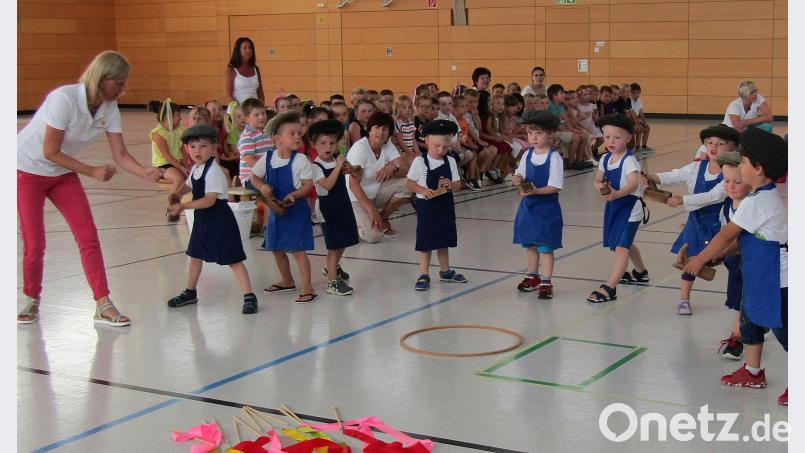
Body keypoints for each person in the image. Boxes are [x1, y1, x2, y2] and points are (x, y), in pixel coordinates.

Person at [16, 50, 161, 326]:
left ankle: (102, 303)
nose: (123, 89)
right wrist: (92, 171)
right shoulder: (64, 99)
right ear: (102, 78)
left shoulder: (109, 108)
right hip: (28, 169)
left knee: (88, 236)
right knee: (35, 242)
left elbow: (120, 154)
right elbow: (50, 151)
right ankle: (32, 298)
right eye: (119, 83)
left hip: (62, 173)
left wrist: (145, 172)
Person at [684, 128, 787, 405]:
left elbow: (726, 235)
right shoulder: (756, 198)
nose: (739, 168)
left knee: (785, 331)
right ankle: (753, 372)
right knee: (749, 321)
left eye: (742, 163)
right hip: (758, 274)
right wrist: (720, 256)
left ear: (758, 167)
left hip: (778, 279)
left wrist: (701, 258)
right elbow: (743, 241)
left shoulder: (759, 201)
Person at [642, 124, 738, 314]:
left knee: (732, 261)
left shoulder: (731, 173)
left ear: (733, 149)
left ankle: (740, 302)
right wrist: (653, 176)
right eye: (710, 142)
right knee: (688, 259)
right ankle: (684, 300)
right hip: (696, 222)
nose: (713, 146)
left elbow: (713, 196)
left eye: (721, 144)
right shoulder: (697, 166)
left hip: (721, 225)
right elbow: (676, 175)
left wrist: (681, 200)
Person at [166, 125, 258, 314]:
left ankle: (250, 296)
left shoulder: (213, 171)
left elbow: (209, 200)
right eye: (193, 147)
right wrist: (175, 194)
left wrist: (183, 206)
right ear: (187, 149)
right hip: (202, 221)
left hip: (219, 220)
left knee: (233, 259)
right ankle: (190, 292)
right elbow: (188, 187)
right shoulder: (196, 169)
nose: (197, 151)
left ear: (214, 147)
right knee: (195, 256)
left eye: (203, 146)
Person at [249, 112, 318, 304]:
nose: (298, 136)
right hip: (276, 211)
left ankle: (308, 287)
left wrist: (294, 195)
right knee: (276, 248)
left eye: (299, 133)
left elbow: (307, 185)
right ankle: (287, 280)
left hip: (296, 211)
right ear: (277, 139)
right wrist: (262, 186)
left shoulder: (301, 160)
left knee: (298, 250)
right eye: (292, 133)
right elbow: (254, 177)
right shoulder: (268, 158)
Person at [586, 114, 649, 303]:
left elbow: (632, 184)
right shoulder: (605, 158)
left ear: (628, 138)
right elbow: (597, 179)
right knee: (623, 242)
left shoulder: (629, 161)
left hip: (629, 206)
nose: (611, 141)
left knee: (621, 246)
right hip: (614, 205)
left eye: (617, 137)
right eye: (607, 137)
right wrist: (599, 186)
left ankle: (610, 287)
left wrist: (615, 194)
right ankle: (640, 272)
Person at [405, 120, 466, 291]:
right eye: (436, 146)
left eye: (445, 147)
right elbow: (409, 182)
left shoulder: (451, 162)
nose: (441, 151)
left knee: (443, 240)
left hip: (445, 205)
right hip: (426, 207)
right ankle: (424, 274)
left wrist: (450, 185)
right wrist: (422, 190)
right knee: (426, 242)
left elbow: (458, 185)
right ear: (427, 142)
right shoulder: (420, 161)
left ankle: (445, 271)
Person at [512, 111, 564, 299]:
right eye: (530, 132)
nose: (533, 137)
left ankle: (546, 280)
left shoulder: (554, 158)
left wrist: (535, 191)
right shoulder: (527, 154)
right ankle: (532, 275)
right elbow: (521, 176)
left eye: (538, 133)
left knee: (545, 247)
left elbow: (555, 186)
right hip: (528, 207)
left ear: (550, 134)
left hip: (546, 208)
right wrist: (518, 180)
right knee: (530, 245)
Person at [309, 120, 359, 296]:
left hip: (342, 204)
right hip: (327, 207)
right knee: (333, 244)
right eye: (323, 143)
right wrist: (338, 167)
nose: (328, 147)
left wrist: (351, 170)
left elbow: (353, 175)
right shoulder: (315, 166)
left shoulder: (336, 161)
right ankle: (332, 282)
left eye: (331, 143)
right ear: (314, 145)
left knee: (345, 238)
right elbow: (328, 185)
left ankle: (331, 267)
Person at [346, 112, 412, 242]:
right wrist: (371, 209)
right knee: (374, 236)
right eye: (377, 127)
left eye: (385, 129)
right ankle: (353, 219)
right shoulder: (360, 149)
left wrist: (392, 166)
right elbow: (353, 185)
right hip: (356, 199)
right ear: (369, 130)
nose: (381, 132)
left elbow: (406, 170)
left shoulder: (388, 145)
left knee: (408, 184)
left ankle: (382, 217)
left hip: (376, 193)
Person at [712, 151, 752, 360]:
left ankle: (737, 337)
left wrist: (714, 253)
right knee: (740, 299)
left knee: (745, 299)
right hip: (736, 261)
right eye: (727, 181)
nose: (731, 186)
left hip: (754, 262)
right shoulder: (728, 205)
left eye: (738, 181)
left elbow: (736, 239)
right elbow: (725, 232)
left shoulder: (752, 205)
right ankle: (749, 329)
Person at [147, 98, 185, 220]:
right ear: (169, 117)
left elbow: (182, 150)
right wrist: (182, 168)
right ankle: (171, 208)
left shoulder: (179, 130)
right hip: (163, 165)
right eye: (178, 115)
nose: (181, 118)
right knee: (178, 179)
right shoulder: (158, 134)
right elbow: (167, 155)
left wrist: (186, 164)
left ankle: (181, 201)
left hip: (176, 163)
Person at [225, 37, 265, 104]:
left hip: (255, 110)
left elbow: (260, 91)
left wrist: (262, 105)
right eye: (245, 48)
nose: (248, 50)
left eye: (250, 48)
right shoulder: (231, 69)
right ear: (238, 50)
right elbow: (228, 95)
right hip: (238, 111)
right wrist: (239, 110)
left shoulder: (256, 68)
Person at [629, 83, 652, 151]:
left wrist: (645, 123)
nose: (636, 95)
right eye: (634, 93)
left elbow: (641, 112)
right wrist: (638, 123)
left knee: (647, 127)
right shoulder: (629, 100)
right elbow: (632, 114)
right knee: (640, 128)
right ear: (630, 93)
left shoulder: (639, 100)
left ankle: (644, 146)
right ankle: (637, 146)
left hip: (636, 120)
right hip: (631, 120)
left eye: (638, 93)